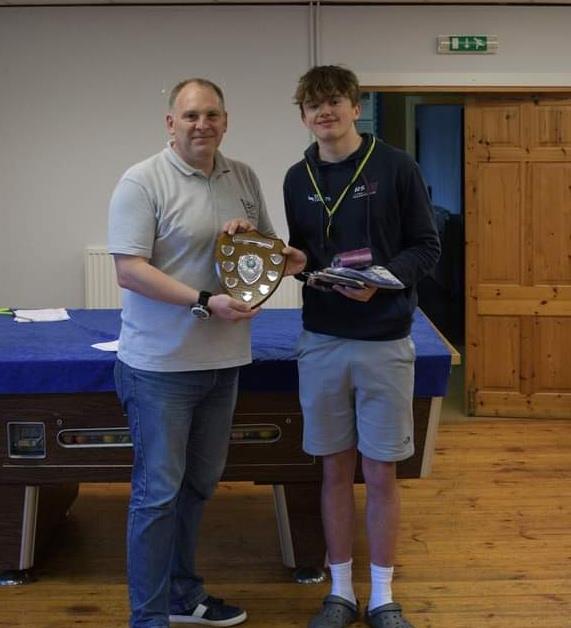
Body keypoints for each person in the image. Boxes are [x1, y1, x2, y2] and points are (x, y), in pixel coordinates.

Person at [108, 78, 306, 628]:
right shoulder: (141, 181)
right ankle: (147, 618)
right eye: (191, 115)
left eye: (212, 115)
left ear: (226, 120)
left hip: (224, 363)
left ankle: (181, 596)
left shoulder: (242, 176)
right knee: (156, 497)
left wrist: (282, 260)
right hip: (159, 369)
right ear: (170, 123)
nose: (202, 125)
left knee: (197, 487)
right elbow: (129, 269)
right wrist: (204, 301)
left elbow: (266, 252)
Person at [283, 66, 440, 628]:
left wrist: (384, 280)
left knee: (379, 475)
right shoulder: (295, 176)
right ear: (303, 116)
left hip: (384, 341)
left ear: (354, 106)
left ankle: (382, 597)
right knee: (332, 471)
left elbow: (427, 247)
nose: (324, 113)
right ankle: (340, 592)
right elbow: (305, 259)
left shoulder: (397, 166)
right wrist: (301, 268)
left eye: (334, 102)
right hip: (322, 341)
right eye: (312, 106)